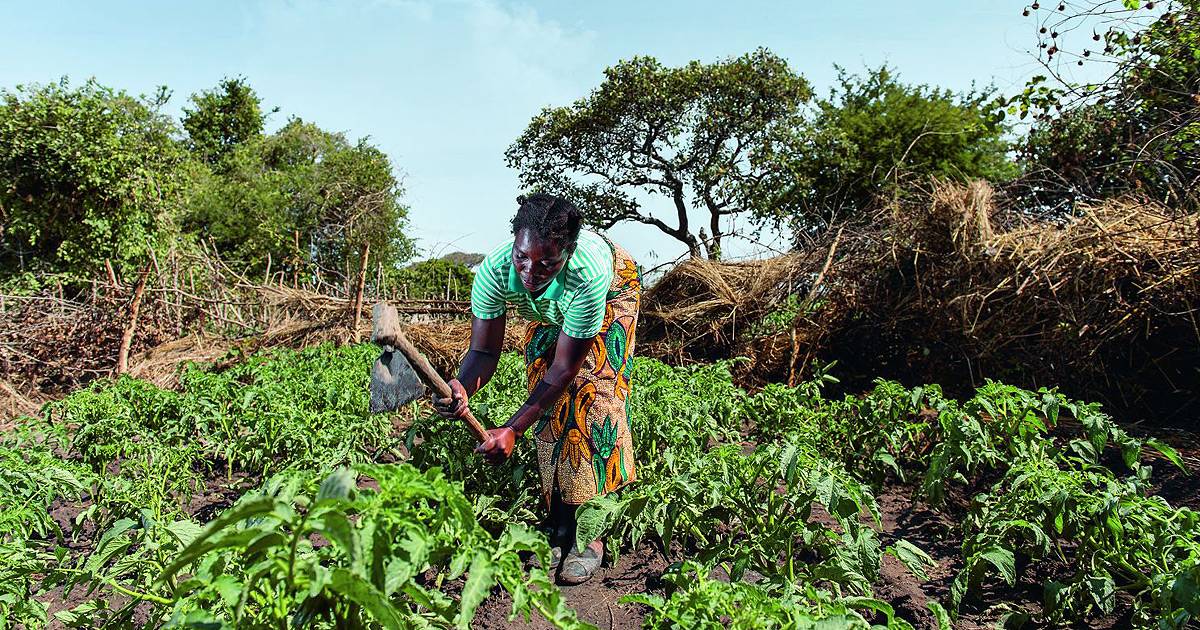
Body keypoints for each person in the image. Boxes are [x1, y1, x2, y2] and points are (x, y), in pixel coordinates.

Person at [432, 192, 641, 585]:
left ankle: (589, 536)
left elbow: (564, 370)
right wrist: (461, 386)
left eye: (546, 263)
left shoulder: (587, 273)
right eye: (522, 257)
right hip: (550, 308)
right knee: (541, 396)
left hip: (613, 291)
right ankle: (559, 522)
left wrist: (511, 429)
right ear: (514, 243)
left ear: (568, 252)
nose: (530, 272)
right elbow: (483, 350)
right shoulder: (495, 272)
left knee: (591, 395)